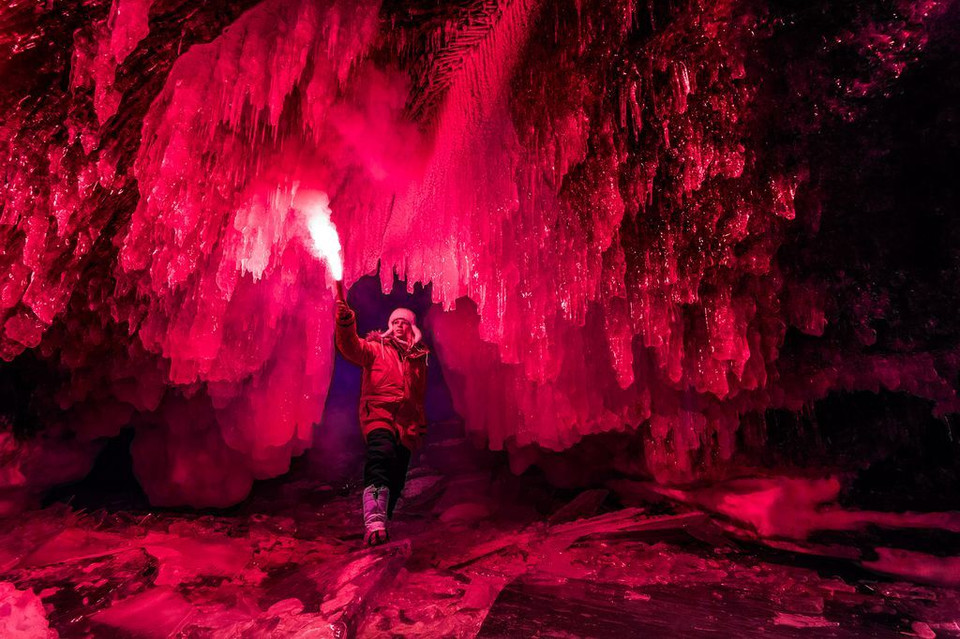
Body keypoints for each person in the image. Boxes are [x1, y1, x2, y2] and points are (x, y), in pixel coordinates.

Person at [334, 299, 429, 546]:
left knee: (397, 474)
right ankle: (374, 523)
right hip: (378, 413)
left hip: (406, 423)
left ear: (412, 328)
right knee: (381, 456)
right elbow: (350, 347)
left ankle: (384, 520)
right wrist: (346, 322)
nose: (398, 326)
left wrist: (419, 422)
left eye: (403, 322)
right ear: (389, 326)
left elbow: (418, 394)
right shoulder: (376, 348)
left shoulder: (418, 358)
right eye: (395, 322)